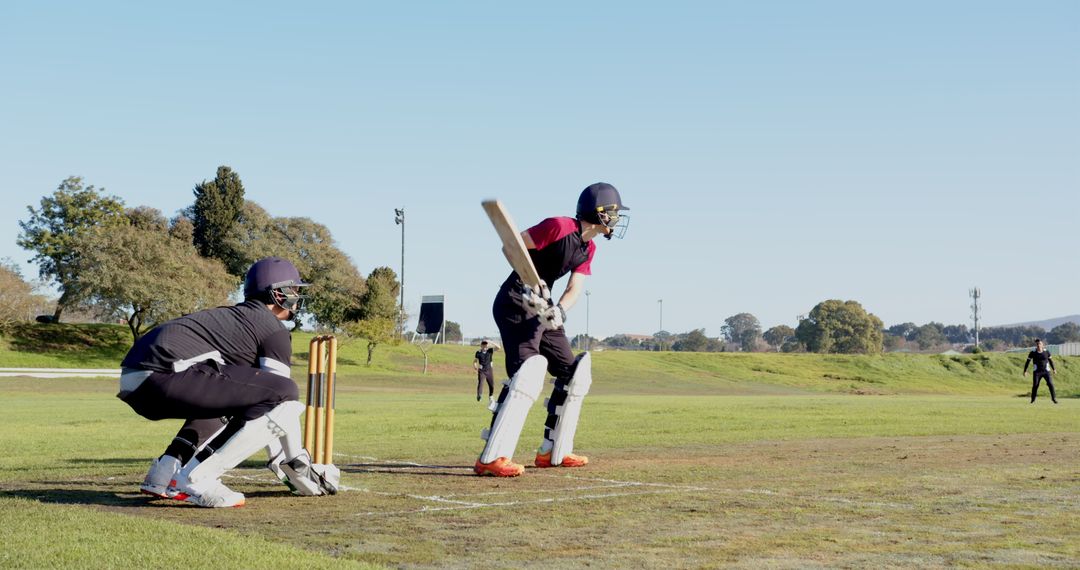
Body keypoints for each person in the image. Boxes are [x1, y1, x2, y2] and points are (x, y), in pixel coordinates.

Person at [119, 256, 338, 507]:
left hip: (135, 380)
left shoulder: (237, 319)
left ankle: (165, 470)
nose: (297, 297)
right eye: (295, 290)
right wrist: (297, 465)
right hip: (165, 373)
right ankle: (196, 478)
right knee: (285, 391)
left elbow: (260, 404)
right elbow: (279, 405)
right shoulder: (273, 329)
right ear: (278, 293)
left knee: (233, 401)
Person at [475, 182, 629, 477]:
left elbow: (575, 287)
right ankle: (492, 457)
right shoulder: (560, 227)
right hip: (516, 303)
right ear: (600, 213)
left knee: (573, 373)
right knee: (529, 372)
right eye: (614, 212)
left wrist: (559, 309)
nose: (618, 219)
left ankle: (551, 452)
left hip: (543, 309)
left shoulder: (589, 247)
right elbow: (512, 246)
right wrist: (528, 282)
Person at [1023, 339, 1058, 404]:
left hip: (1046, 371)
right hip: (1037, 372)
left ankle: (1054, 398)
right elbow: (1027, 362)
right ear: (1036, 345)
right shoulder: (1033, 352)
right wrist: (1025, 371)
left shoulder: (1046, 352)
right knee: (1035, 385)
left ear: (1042, 345)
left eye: (1040, 344)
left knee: (1050, 384)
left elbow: (1051, 361)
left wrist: (1054, 369)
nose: (1038, 345)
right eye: (1037, 344)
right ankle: (1032, 400)